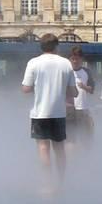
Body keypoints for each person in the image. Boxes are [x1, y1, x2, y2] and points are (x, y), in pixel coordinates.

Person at [21, 34, 76, 186]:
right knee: (59, 148)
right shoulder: (66, 63)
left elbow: (25, 88)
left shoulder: (34, 63)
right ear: (56, 46)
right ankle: (61, 182)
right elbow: (74, 92)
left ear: (41, 46)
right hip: (59, 113)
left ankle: (47, 183)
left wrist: (38, 88)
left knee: (43, 147)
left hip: (40, 113)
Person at [67, 48, 94, 143]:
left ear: (81, 59)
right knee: (70, 137)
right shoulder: (66, 71)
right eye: (73, 59)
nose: (75, 61)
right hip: (68, 109)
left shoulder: (86, 72)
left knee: (85, 136)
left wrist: (84, 87)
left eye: (77, 59)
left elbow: (92, 89)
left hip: (82, 108)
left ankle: (85, 155)